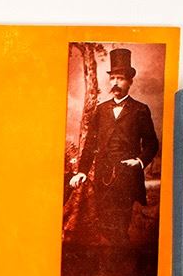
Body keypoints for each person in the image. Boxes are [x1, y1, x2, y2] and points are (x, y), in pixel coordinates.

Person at [67, 47, 160, 247]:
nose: (116, 83)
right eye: (113, 78)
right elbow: (90, 144)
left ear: (130, 81)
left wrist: (139, 161)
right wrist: (82, 171)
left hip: (127, 176)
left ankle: (121, 261)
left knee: (122, 225)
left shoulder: (140, 110)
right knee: (104, 223)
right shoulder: (101, 110)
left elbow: (152, 143)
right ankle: (108, 262)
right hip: (103, 176)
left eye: (121, 78)